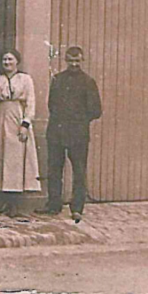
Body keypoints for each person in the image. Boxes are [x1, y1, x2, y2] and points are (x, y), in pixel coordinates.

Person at [36, 46, 102, 223]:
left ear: (82, 61)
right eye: (71, 60)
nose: (74, 64)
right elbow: (52, 104)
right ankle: (53, 205)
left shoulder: (89, 82)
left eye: (77, 61)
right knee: (54, 169)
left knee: (79, 171)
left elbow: (96, 110)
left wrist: (78, 120)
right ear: (65, 60)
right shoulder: (57, 80)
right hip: (56, 132)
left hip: (78, 134)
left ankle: (77, 208)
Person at [0, 49, 41, 217]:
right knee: (1, 157)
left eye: (10, 59)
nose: (7, 63)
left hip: (17, 117)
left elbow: (31, 102)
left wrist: (25, 123)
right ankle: (4, 200)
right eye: (4, 59)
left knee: (16, 160)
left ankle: (15, 204)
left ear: (17, 61)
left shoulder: (25, 79)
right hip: (1, 117)